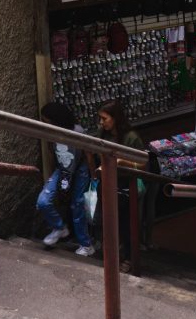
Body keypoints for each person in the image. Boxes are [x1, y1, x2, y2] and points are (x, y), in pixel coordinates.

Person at [36, 102, 95, 257]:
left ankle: (86, 244)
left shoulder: (78, 131)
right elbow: (51, 152)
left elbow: (88, 154)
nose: (44, 123)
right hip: (62, 170)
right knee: (43, 201)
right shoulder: (50, 132)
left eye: (46, 120)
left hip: (80, 171)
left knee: (78, 206)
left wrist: (94, 177)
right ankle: (59, 227)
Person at [98, 100, 145, 273]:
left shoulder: (131, 137)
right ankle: (113, 255)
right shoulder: (103, 133)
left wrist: (123, 162)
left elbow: (143, 163)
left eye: (105, 118)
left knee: (127, 224)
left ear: (115, 118)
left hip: (126, 185)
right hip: (108, 182)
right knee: (109, 221)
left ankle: (129, 258)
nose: (102, 122)